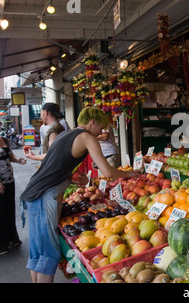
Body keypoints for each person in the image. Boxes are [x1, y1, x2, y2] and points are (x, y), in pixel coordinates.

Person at [20, 107, 140, 283]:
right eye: (101, 127)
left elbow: (53, 162)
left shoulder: (65, 135)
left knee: (38, 253)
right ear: (92, 122)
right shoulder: (87, 137)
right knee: (48, 253)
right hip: (44, 196)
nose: (101, 132)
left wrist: (70, 177)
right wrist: (130, 173)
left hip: (34, 193)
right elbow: (107, 171)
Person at [0, 135, 26, 256]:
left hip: (10, 180)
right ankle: (2, 244)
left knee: (10, 209)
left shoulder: (4, 140)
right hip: (0, 182)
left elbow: (10, 157)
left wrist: (19, 161)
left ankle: (13, 238)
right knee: (1, 211)